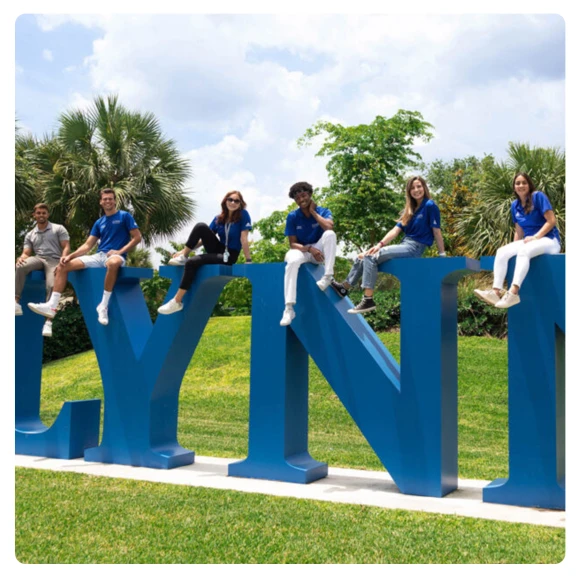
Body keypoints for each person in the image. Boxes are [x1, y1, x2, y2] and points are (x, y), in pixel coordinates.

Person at [331, 176, 446, 314]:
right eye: (412, 188)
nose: (416, 190)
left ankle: (368, 299)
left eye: (419, 186)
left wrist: (442, 255)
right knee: (363, 257)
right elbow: (395, 231)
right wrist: (379, 244)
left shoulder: (429, 205)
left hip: (415, 247)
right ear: (409, 191)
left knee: (370, 257)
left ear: (424, 187)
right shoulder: (408, 210)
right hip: (405, 245)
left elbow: (436, 231)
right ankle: (344, 287)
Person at [28, 188, 141, 326]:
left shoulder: (124, 216)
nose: (108, 201)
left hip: (116, 257)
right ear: (101, 202)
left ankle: (103, 306)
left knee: (113, 263)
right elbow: (87, 246)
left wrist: (119, 251)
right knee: (63, 265)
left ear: (114, 201)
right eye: (105, 199)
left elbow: (137, 238)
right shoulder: (99, 222)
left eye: (110, 198)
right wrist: (70, 256)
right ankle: (52, 305)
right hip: (98, 256)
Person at [474, 172, 561, 309]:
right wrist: (512, 247)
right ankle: (495, 292)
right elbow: (519, 231)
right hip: (529, 241)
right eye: (517, 183)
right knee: (502, 251)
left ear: (529, 185)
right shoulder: (514, 205)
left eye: (524, 183)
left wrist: (536, 237)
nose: (521, 185)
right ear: (514, 187)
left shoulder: (538, 197)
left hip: (549, 240)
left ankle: (513, 293)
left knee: (524, 251)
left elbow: (551, 221)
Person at [158, 190, 252, 315]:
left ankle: (177, 301)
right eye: (230, 199)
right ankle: (183, 256)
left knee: (192, 262)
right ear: (225, 201)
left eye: (237, 201)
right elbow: (203, 240)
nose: (233, 202)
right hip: (219, 248)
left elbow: (243, 238)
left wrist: (248, 260)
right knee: (201, 226)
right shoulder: (219, 218)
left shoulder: (243, 215)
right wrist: (184, 250)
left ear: (240, 204)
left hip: (229, 255)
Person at [280, 181, 337, 326]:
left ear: (310, 195)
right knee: (291, 261)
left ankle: (328, 276)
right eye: (297, 198)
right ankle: (289, 308)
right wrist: (309, 248)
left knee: (330, 234)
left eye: (303, 195)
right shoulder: (292, 216)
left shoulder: (323, 211)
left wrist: (313, 212)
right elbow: (292, 243)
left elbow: (329, 226)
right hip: (304, 251)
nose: (301, 200)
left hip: (319, 253)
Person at [15, 203, 71, 337]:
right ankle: (16, 302)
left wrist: (63, 261)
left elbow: (66, 247)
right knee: (20, 266)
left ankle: (48, 322)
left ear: (48, 214)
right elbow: (26, 252)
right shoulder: (30, 234)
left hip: (54, 260)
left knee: (52, 285)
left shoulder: (58, 228)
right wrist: (20, 258)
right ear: (34, 215)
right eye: (38, 213)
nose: (41, 215)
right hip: (39, 259)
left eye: (43, 213)